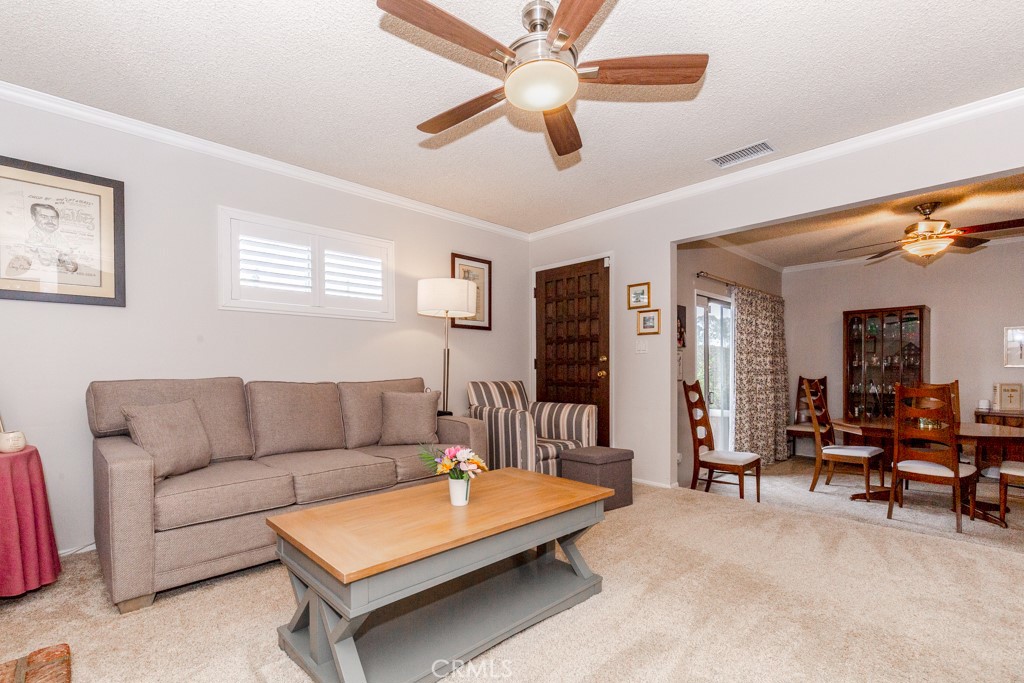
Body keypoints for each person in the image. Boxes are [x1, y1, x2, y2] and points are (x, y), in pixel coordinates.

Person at [25, 203, 76, 271]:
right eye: (44, 217)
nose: (50, 221)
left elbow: (70, 261)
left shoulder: (58, 236)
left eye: (53, 218)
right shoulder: (29, 236)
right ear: (33, 218)